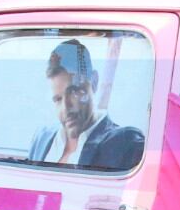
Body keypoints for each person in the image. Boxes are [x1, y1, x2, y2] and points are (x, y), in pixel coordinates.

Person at [27, 40, 143, 170]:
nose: (66, 108)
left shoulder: (125, 143)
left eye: (73, 92)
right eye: (58, 99)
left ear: (94, 81)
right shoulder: (41, 138)